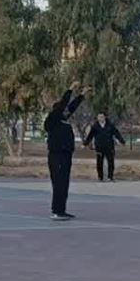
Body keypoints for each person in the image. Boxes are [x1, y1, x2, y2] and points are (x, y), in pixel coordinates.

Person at [45, 87, 86, 219]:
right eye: (62, 110)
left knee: (64, 183)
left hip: (66, 155)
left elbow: (72, 107)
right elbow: (64, 104)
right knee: (59, 184)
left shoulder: (63, 121)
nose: (65, 112)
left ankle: (61, 210)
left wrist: (82, 95)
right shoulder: (52, 120)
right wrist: (70, 90)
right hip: (56, 156)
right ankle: (56, 210)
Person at [84, 112, 125, 182]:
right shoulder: (95, 126)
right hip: (99, 147)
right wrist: (85, 143)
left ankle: (110, 177)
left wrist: (122, 141)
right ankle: (100, 177)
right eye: (99, 117)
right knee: (99, 162)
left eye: (102, 117)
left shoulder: (110, 125)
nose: (100, 118)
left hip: (109, 147)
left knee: (111, 162)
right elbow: (90, 136)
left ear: (105, 117)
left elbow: (116, 133)